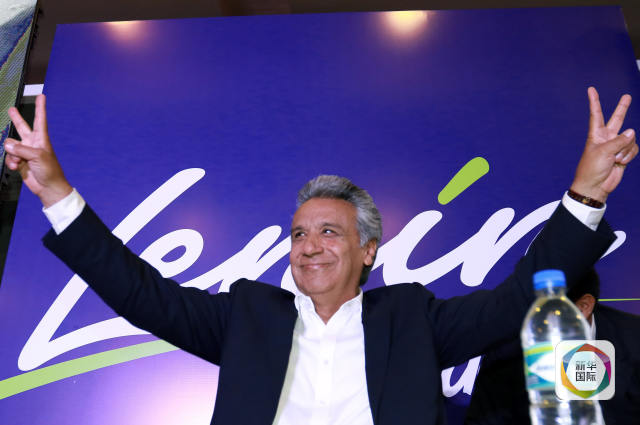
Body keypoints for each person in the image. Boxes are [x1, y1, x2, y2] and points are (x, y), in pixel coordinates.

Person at [3, 88, 637, 425]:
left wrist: (585, 194)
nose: (309, 246)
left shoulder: (414, 319)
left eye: (330, 232)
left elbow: (520, 297)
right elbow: (139, 292)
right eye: (299, 233)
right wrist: (56, 193)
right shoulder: (247, 317)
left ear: (368, 250)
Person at [465, 268, 640, 425]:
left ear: (583, 307)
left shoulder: (633, 340)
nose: (536, 319)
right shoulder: (506, 348)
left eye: (547, 310)